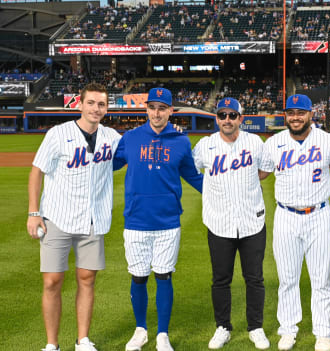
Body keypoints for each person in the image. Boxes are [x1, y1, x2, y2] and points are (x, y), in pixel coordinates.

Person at [26, 83, 122, 351]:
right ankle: (51, 344)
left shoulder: (112, 137)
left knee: (87, 279)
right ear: (79, 104)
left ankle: (83, 340)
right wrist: (34, 213)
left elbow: (134, 150)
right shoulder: (58, 134)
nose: (96, 108)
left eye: (101, 104)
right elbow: (36, 172)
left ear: (106, 108)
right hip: (57, 216)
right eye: (91, 103)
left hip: (93, 219)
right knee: (52, 280)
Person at [113, 87, 203, 351]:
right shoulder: (130, 138)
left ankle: (162, 333)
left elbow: (194, 176)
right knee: (138, 277)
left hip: (167, 221)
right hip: (136, 220)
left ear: (170, 111)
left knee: (164, 276)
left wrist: (221, 192)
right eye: (152, 107)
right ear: (146, 110)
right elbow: (108, 165)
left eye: (162, 108)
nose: (157, 113)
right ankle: (140, 330)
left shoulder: (181, 141)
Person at [259, 94, 330, 351]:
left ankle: (323, 331)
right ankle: (288, 328)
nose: (295, 117)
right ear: (285, 116)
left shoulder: (328, 141)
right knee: (287, 278)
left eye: (300, 112)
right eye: (291, 113)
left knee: (321, 279)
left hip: (319, 215)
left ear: (311, 115)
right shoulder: (274, 143)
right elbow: (260, 175)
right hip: (285, 216)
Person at [192, 97, 270, 350]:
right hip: (219, 222)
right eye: (222, 115)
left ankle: (255, 327)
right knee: (220, 279)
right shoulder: (205, 146)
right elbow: (191, 170)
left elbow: (265, 170)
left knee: (255, 278)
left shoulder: (254, 142)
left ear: (241, 118)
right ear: (216, 118)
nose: (227, 119)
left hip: (251, 221)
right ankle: (223, 327)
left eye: (232, 115)